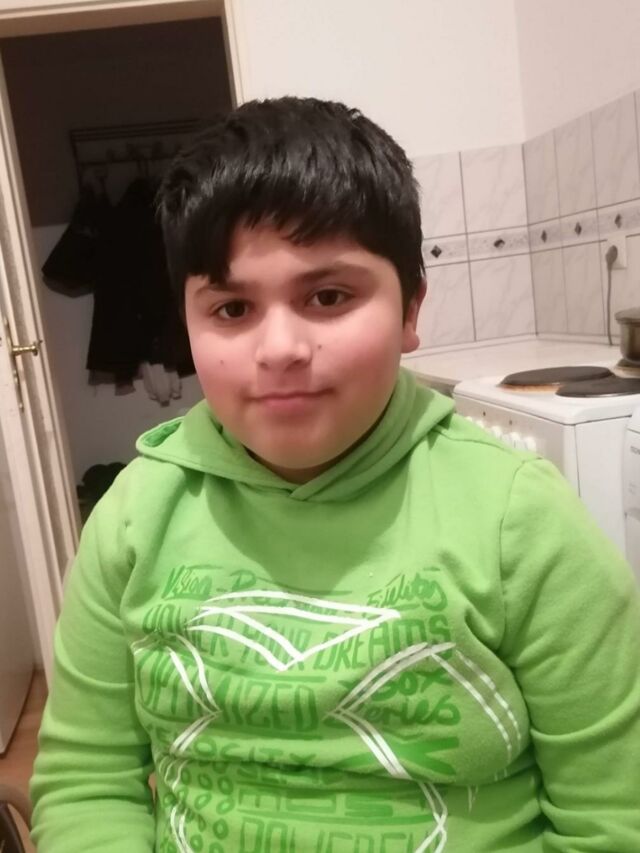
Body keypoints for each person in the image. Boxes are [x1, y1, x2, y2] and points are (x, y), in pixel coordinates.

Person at [30, 97, 640, 853]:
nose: (280, 348)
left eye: (328, 297)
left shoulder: (523, 520)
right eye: (232, 309)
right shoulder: (134, 515)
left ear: (410, 309)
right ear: (185, 322)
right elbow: (87, 783)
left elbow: (613, 819)